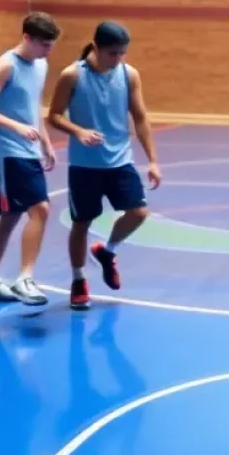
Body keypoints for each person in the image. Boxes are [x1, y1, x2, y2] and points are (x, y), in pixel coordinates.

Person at [47, 22, 162, 311]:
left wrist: (153, 161)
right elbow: (55, 116)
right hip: (85, 166)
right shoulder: (72, 75)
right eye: (113, 53)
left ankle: (107, 251)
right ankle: (78, 280)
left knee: (138, 212)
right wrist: (79, 131)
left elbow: (140, 117)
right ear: (96, 47)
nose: (119, 59)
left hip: (120, 160)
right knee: (81, 223)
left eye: (123, 53)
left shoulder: (129, 74)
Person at [0, 12, 61, 306]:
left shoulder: (41, 65)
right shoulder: (5, 66)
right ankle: (25, 278)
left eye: (51, 45)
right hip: (5, 150)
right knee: (41, 209)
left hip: (28, 150)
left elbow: (32, 104)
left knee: (10, 217)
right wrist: (16, 127)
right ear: (27, 38)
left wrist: (46, 142)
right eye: (44, 45)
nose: (48, 51)